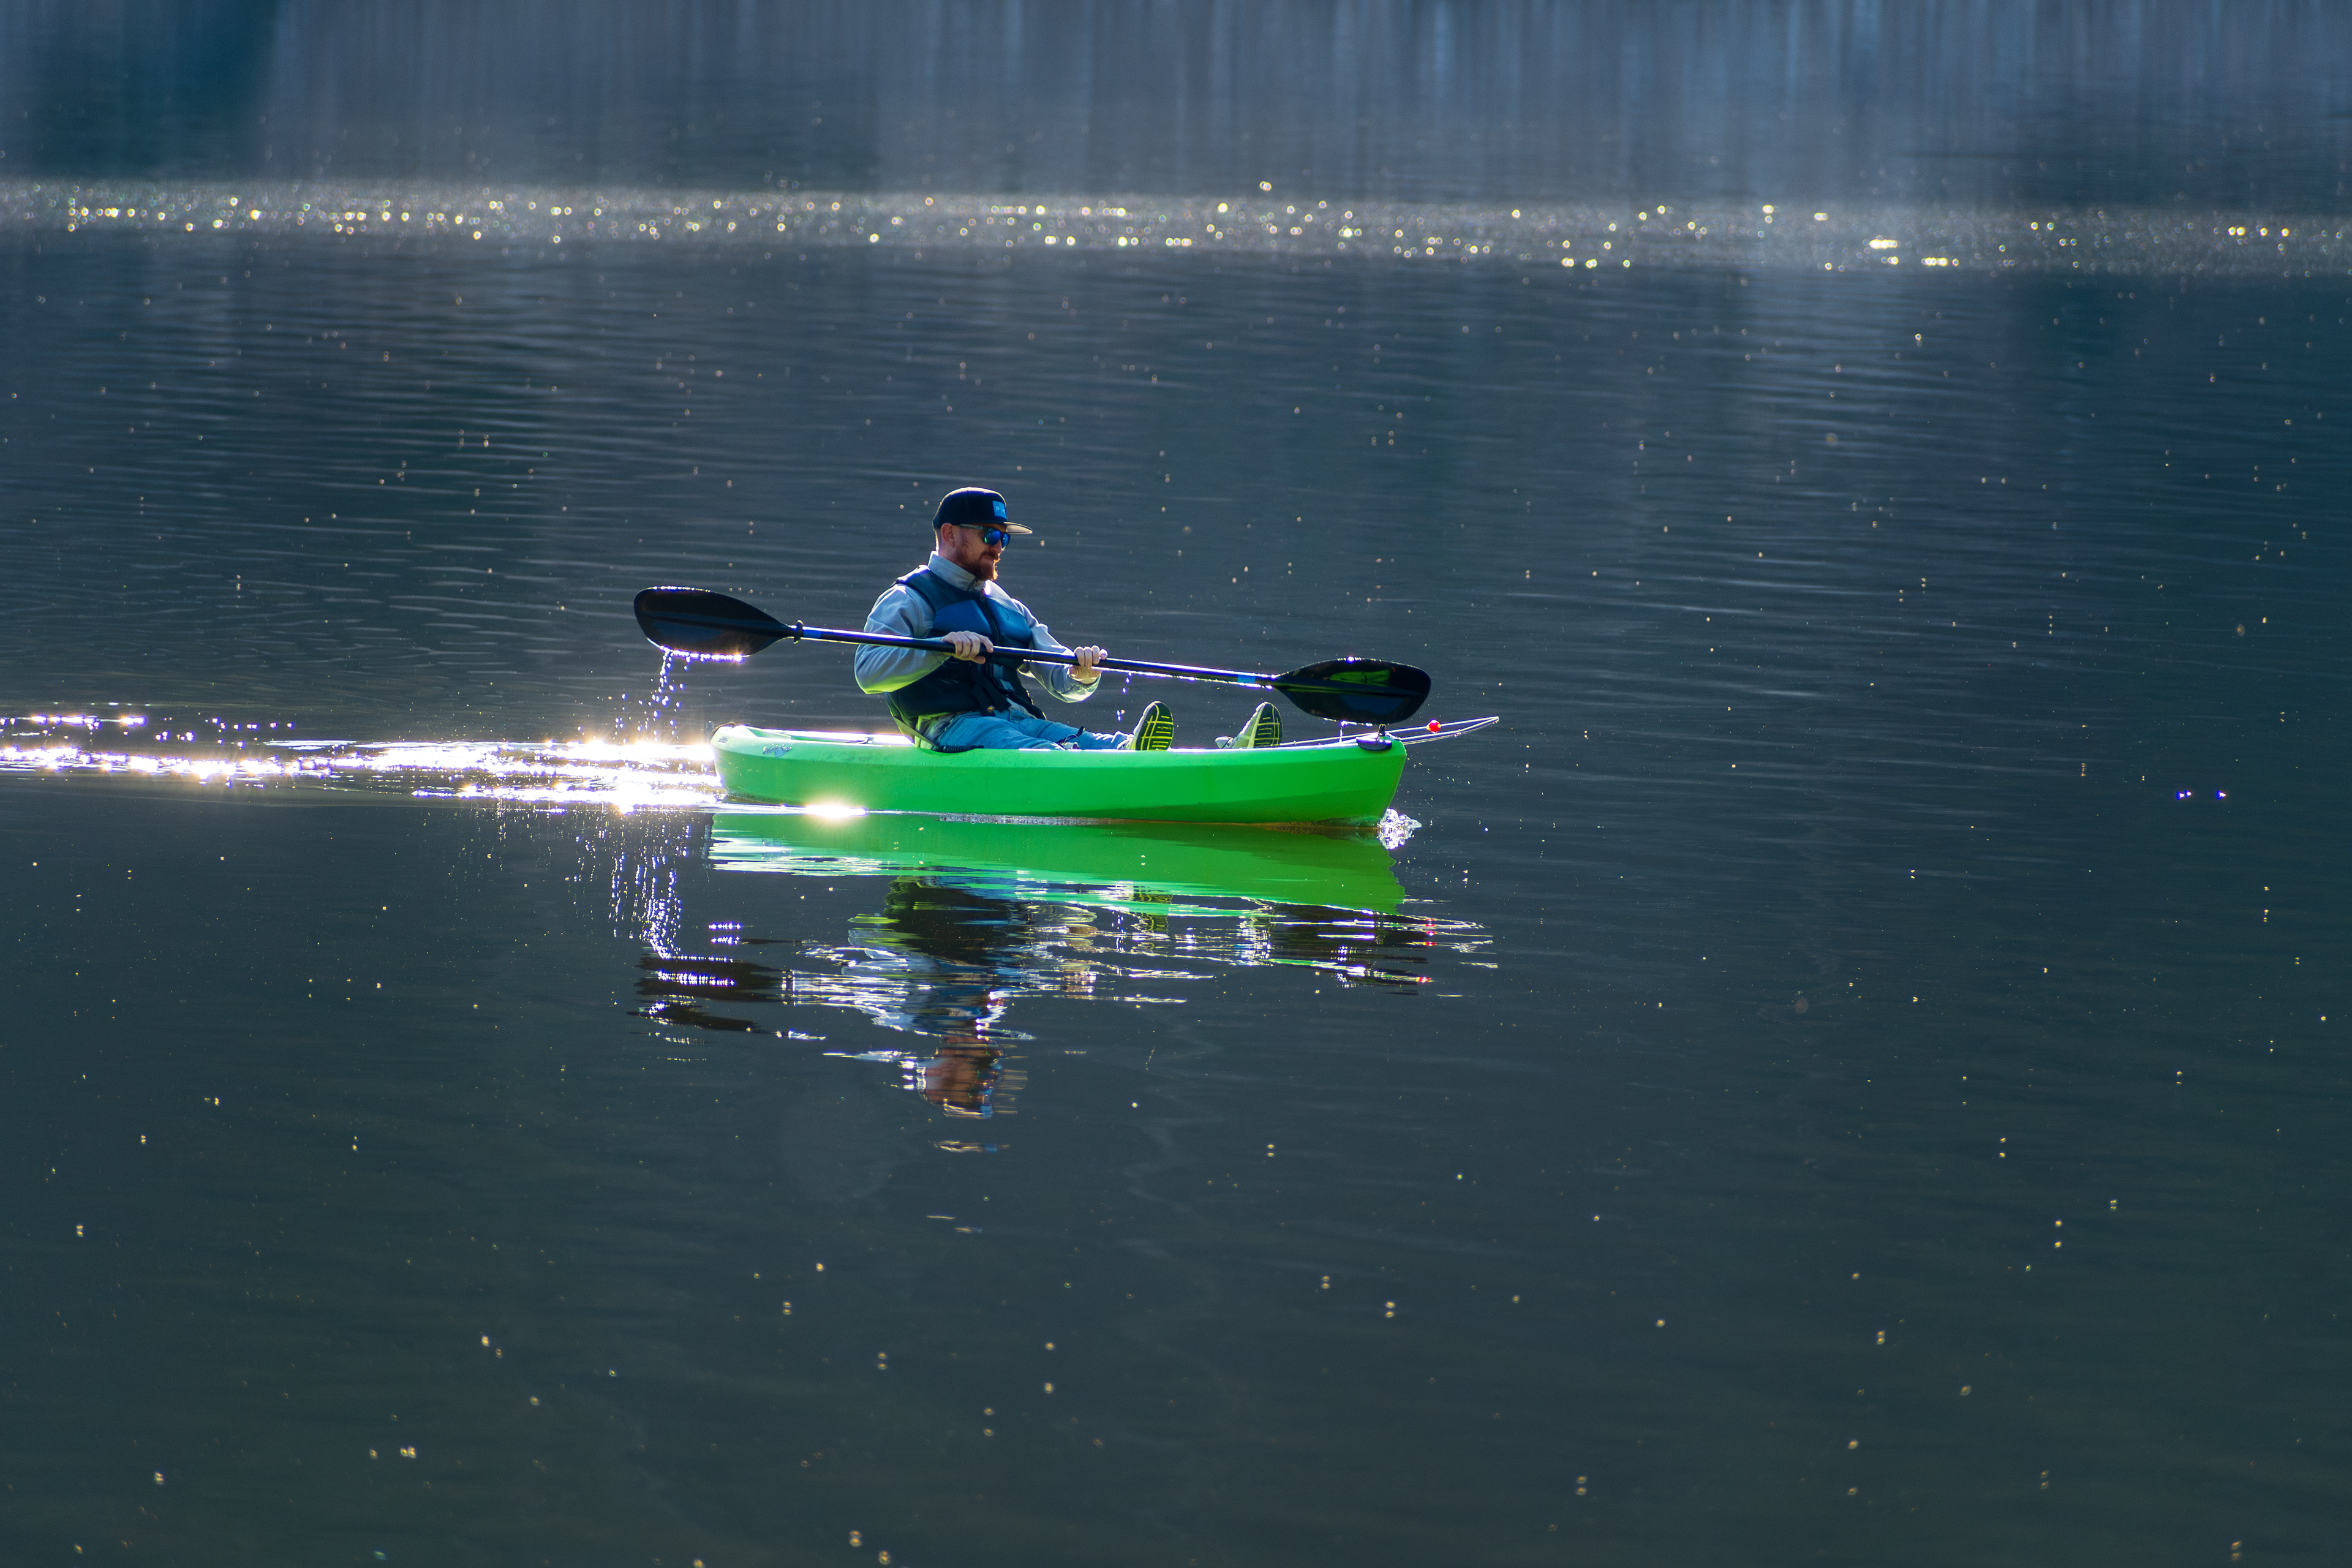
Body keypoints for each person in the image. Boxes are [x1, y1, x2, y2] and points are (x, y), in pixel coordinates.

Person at [855, 487, 1180, 751]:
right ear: (950, 534)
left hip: (1019, 721)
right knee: (1046, 755)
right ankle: (1084, 767)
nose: (999, 548)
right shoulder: (907, 600)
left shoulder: (1009, 607)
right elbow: (868, 674)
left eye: (1004, 538)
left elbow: (1061, 677)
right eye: (989, 536)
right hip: (951, 726)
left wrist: (1081, 674)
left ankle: (1128, 753)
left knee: (1097, 745)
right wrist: (938, 648)